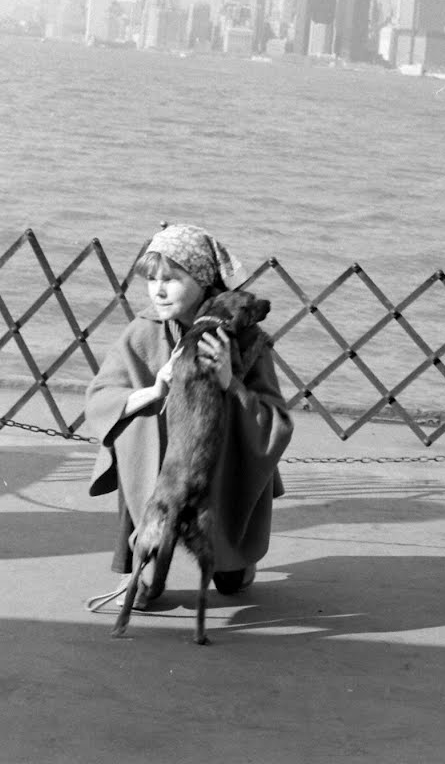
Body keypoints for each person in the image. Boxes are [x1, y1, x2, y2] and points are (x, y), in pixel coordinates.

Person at [85, 223, 293, 605]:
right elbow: (100, 398)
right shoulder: (142, 332)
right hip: (162, 461)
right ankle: (141, 567)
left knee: (231, 583)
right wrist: (154, 390)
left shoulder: (244, 338)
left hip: (221, 458)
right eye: (151, 279)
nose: (158, 290)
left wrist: (232, 383)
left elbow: (276, 420)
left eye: (172, 279)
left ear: (202, 281)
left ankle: (234, 558)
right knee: (134, 425)